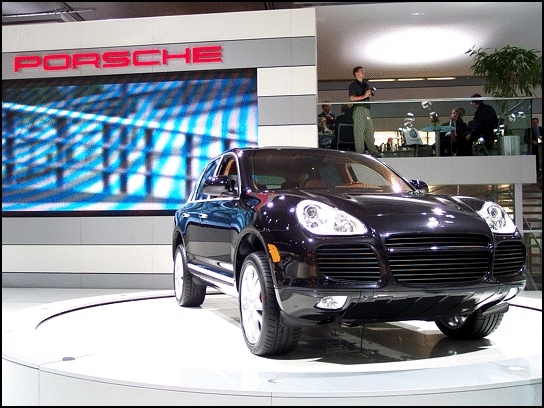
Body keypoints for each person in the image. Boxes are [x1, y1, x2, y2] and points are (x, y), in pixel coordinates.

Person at [348, 66, 381, 157]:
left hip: (366, 108)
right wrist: (364, 96)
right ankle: (360, 153)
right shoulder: (353, 85)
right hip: (359, 109)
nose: (364, 72)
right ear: (356, 74)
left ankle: (374, 153)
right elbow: (352, 98)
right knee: (359, 132)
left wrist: (368, 95)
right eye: (362, 71)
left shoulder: (365, 84)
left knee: (369, 131)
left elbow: (367, 95)